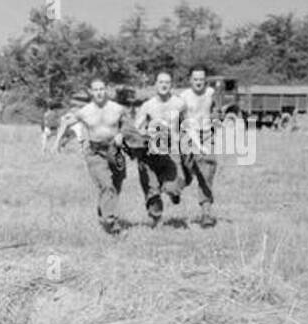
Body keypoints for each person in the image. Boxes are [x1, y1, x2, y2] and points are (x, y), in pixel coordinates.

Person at [58, 79, 130, 235]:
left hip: (115, 151)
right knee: (106, 185)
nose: (99, 92)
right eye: (96, 89)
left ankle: (103, 208)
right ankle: (112, 224)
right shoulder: (85, 111)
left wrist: (121, 134)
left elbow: (128, 125)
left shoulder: (117, 108)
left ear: (107, 90)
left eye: (102, 89)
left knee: (116, 186)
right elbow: (66, 121)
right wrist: (59, 141)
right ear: (91, 91)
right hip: (95, 152)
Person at [131, 71, 188, 226]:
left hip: (171, 151)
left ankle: (174, 192)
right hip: (150, 152)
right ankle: (155, 217)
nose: (164, 85)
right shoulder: (148, 106)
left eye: (167, 82)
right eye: (161, 82)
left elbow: (187, 125)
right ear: (155, 84)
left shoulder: (179, 104)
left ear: (171, 85)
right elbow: (136, 128)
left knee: (172, 187)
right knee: (152, 189)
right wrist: (143, 134)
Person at [180, 67, 219, 227]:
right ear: (190, 80)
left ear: (205, 80)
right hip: (188, 136)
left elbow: (216, 111)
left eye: (201, 79)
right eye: (195, 79)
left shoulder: (211, 94)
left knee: (207, 172)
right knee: (186, 171)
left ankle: (206, 212)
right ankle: (182, 181)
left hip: (206, 136)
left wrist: (216, 120)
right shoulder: (183, 97)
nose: (198, 82)